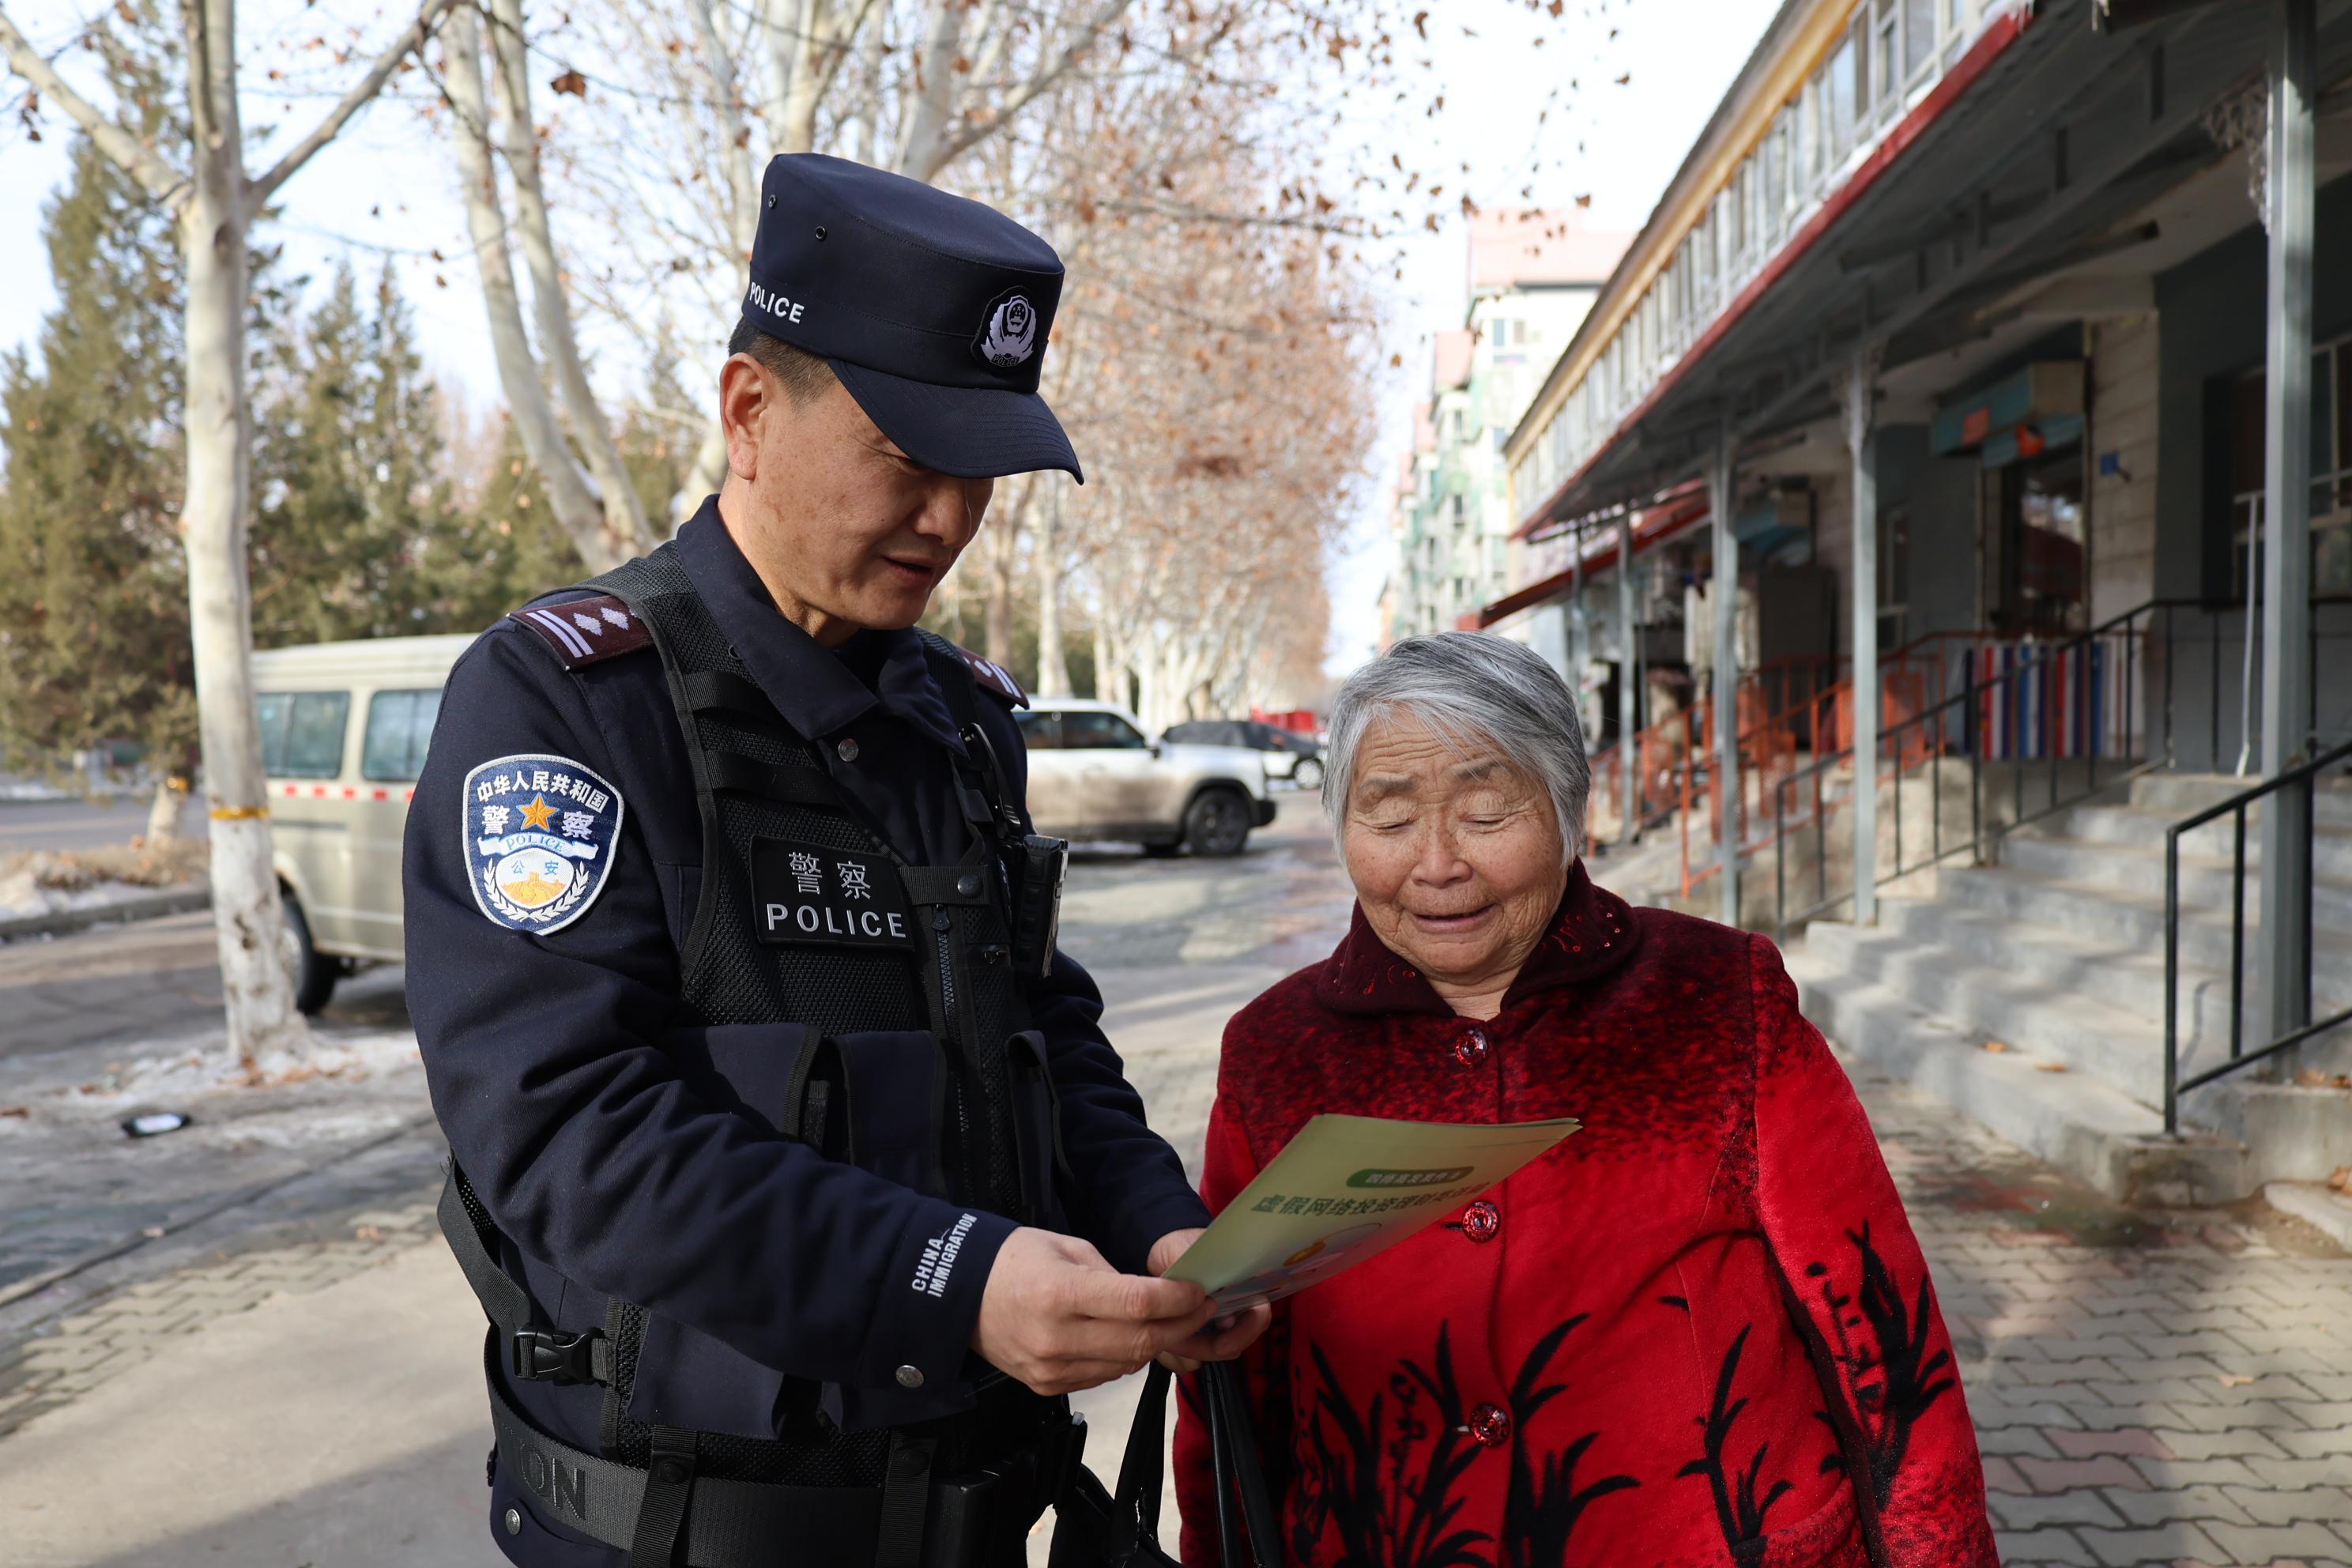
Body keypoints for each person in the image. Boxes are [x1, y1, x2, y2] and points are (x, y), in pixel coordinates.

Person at [405, 153, 1265, 1568]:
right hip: (692, 1530)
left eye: (978, 472)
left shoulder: (961, 724)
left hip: (977, 1514)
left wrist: (1160, 1225)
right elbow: (565, 1128)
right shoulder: (567, 702)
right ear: (750, 412)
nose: (948, 518)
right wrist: (953, 1276)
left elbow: (1037, 1023)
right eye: (908, 460)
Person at [1172, 633, 1996, 1566]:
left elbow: (1879, 1326)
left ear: (1571, 813)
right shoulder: (1279, 1052)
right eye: (1390, 819)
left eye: (1486, 811)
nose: (1438, 864)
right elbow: (1234, 1383)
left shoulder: (1715, 996)